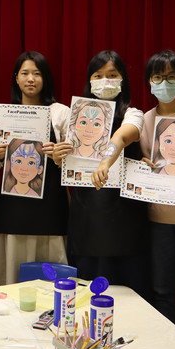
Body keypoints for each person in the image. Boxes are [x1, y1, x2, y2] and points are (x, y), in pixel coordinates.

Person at [101, 49, 175, 342]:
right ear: (148, 82)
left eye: (171, 77)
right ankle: (168, 348)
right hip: (157, 219)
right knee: (162, 292)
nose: (164, 83)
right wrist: (143, 165)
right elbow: (140, 159)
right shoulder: (146, 119)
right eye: (157, 77)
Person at [0, 51, 71, 287]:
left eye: (37, 73)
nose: (30, 79)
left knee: (50, 276)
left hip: (50, 205)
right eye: (25, 73)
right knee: (11, 272)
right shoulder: (4, 114)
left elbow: (74, 161)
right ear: (16, 78)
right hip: (13, 205)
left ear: (45, 78)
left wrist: (58, 154)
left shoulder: (61, 112)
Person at [72, 51, 150, 297]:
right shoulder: (75, 116)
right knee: (87, 290)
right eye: (98, 75)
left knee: (126, 290)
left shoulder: (133, 114)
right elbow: (68, 163)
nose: (105, 81)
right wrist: (58, 155)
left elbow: (123, 136)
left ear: (123, 79)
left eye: (112, 75)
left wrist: (105, 161)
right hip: (87, 215)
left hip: (124, 216)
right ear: (89, 80)